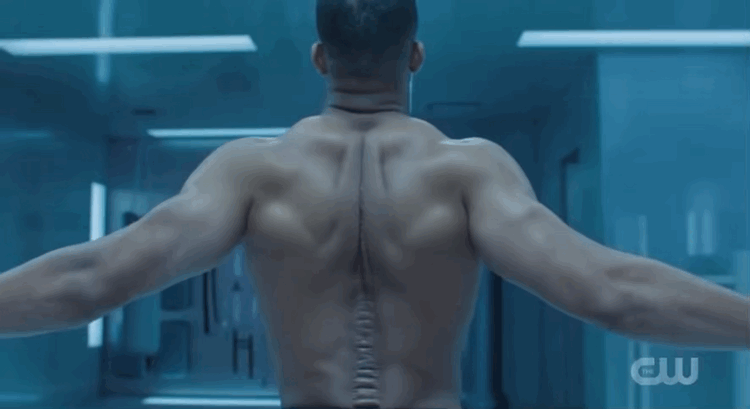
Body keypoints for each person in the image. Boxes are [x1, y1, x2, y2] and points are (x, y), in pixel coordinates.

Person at [0, 0, 747, 408]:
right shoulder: (470, 173)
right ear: (415, 55)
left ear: (320, 59)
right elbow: (615, 293)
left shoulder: (250, 171)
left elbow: (89, 279)